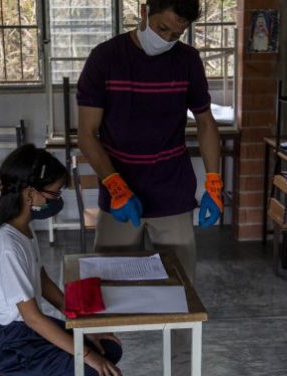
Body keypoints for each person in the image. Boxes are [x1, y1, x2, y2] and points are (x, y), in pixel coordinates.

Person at [77, 0, 223, 282]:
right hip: (120, 193)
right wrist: (116, 187)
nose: (166, 39)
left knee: (181, 289)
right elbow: (86, 134)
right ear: (144, 11)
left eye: (176, 35)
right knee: (108, 285)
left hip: (172, 192)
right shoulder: (106, 58)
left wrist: (214, 183)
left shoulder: (187, 61)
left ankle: (179, 328)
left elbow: (205, 122)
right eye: (162, 28)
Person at [0, 145, 122, 376]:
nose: (56, 200)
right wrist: (87, 355)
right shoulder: (8, 245)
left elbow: (41, 280)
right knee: (93, 367)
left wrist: (82, 326)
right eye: (54, 193)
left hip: (23, 333)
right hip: (9, 345)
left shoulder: (23, 228)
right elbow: (33, 318)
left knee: (108, 349)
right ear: (29, 194)